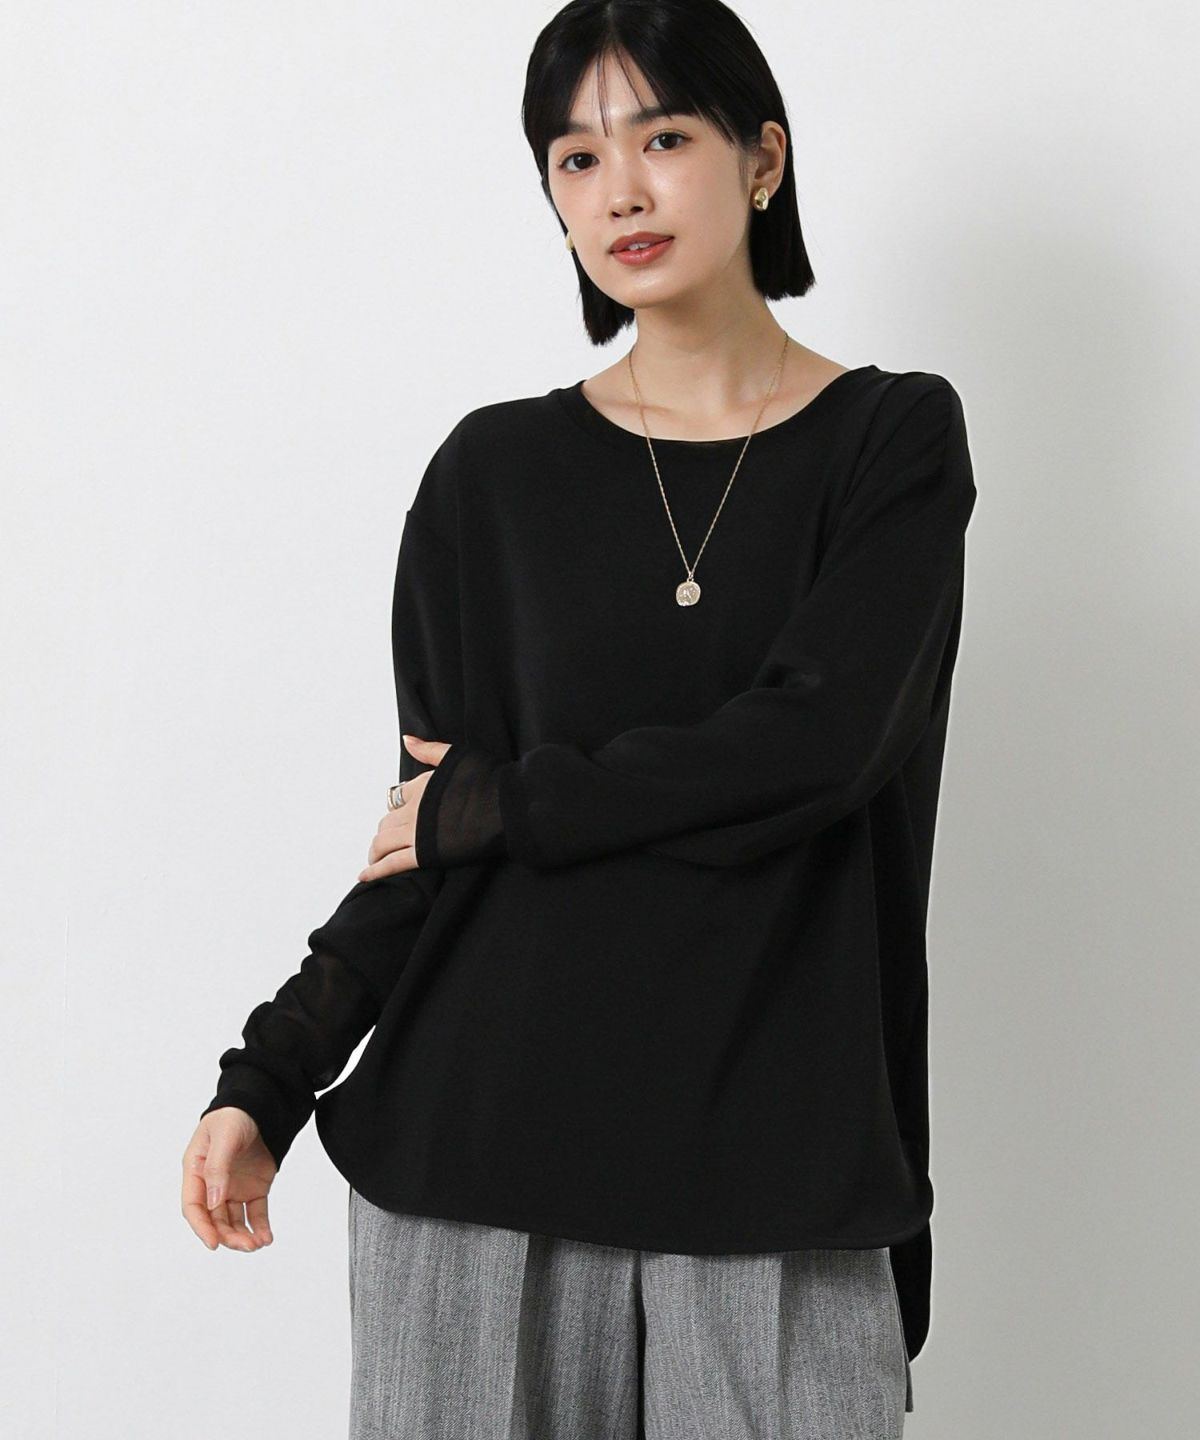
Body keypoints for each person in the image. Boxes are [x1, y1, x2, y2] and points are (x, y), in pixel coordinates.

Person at [181, 2, 977, 1436]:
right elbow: (423, 835)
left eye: (663, 137)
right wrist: (272, 1074)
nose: (620, 191)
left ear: (761, 159)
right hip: (473, 1163)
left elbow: (819, 746)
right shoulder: (490, 476)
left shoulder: (890, 441)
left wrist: (508, 804)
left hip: (774, 1169)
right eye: (576, 156)